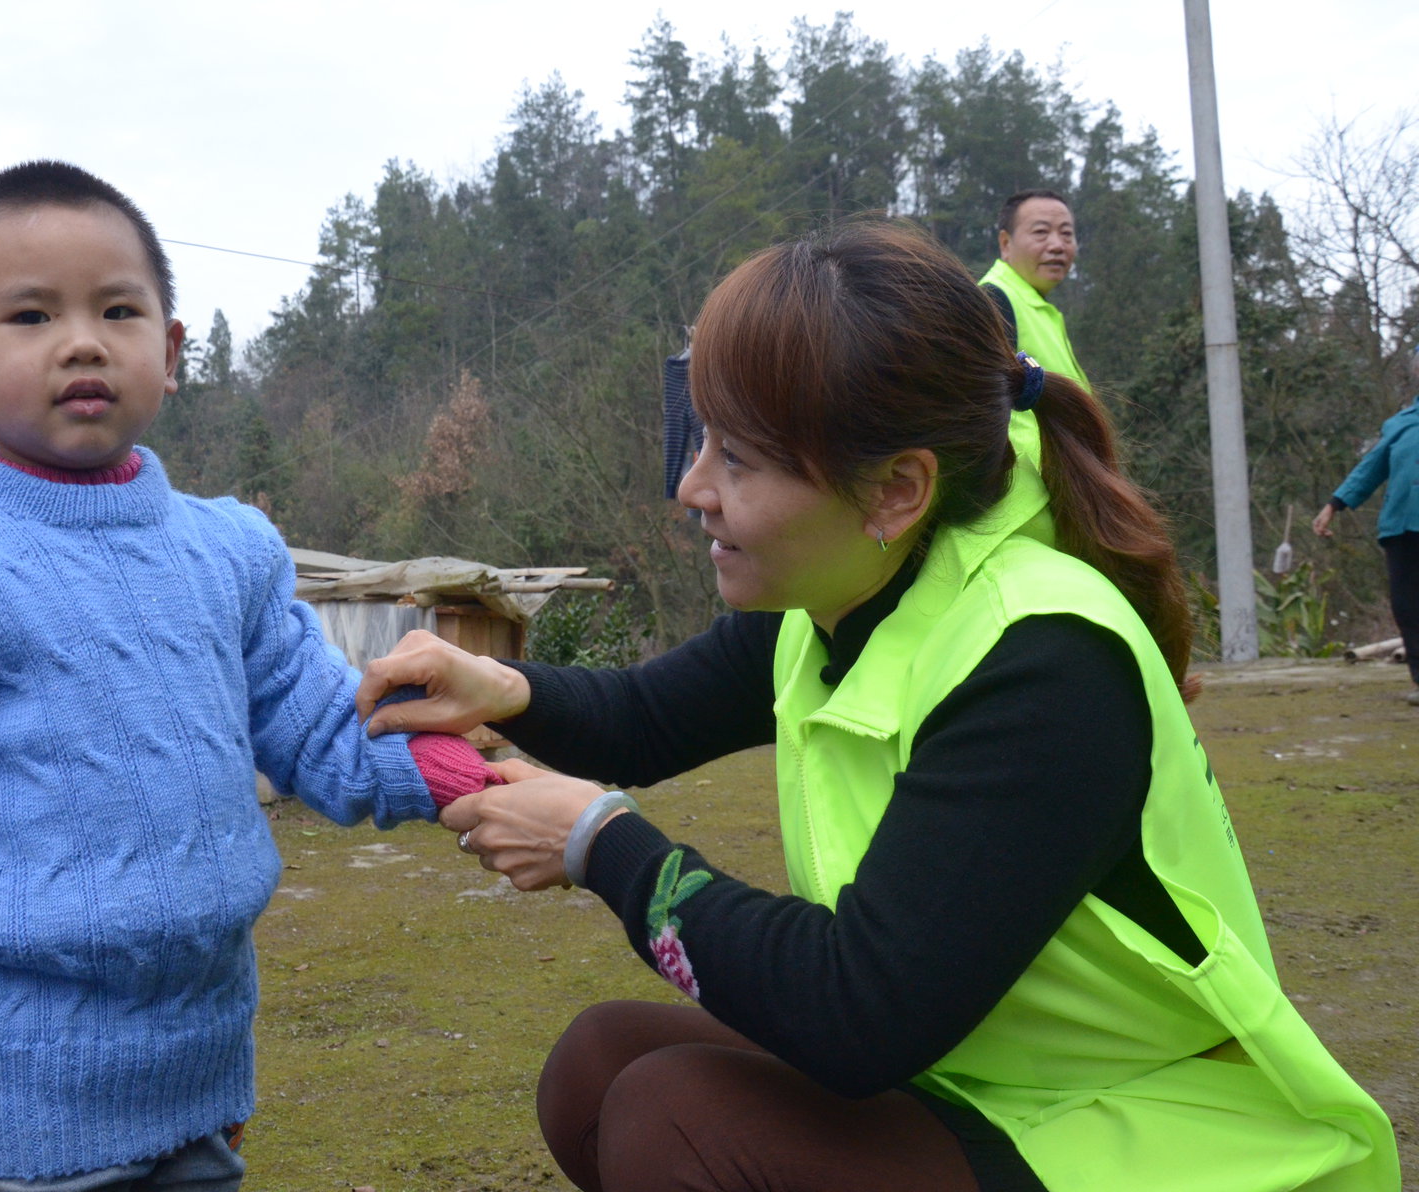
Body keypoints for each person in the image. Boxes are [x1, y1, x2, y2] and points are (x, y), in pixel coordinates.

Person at [359, 223, 1397, 1191]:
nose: (692, 488)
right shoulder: (846, 587)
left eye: (741, 459)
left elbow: (859, 1014)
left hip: (1125, 1119)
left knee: (672, 1120)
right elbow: (647, 717)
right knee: (598, 1064)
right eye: (703, 441)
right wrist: (502, 688)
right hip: (973, 1060)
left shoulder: (1041, 661)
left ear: (897, 487)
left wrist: (602, 844)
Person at [0, 161, 498, 1192]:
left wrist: (464, 773)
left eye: (118, 309)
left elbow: (322, 727)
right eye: (28, 315)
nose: (81, 340)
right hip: (29, 1118)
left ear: (168, 351)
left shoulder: (230, 552)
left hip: (204, 1081)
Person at [1312, 349, 1419, 706]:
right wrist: (1333, 505)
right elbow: (1370, 468)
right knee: (1407, 606)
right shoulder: (1401, 424)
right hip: (1401, 529)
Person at [980, 189, 1090, 389]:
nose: (1057, 245)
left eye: (1066, 234)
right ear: (1005, 244)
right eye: (1041, 232)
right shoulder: (993, 301)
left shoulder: (1039, 310)